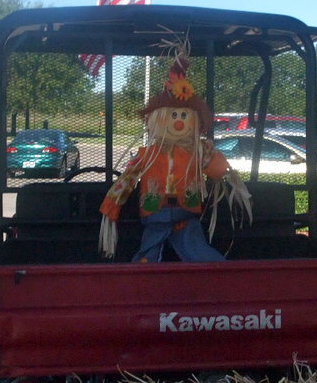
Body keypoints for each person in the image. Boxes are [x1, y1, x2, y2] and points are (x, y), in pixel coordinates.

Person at [99, 44, 250, 261]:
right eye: (173, 116)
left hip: (185, 215)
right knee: (149, 250)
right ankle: (142, 278)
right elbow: (127, 180)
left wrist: (211, 154)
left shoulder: (196, 153)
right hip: (155, 214)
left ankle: (216, 273)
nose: (178, 122)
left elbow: (218, 172)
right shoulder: (147, 154)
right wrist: (111, 206)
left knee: (195, 247)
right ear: (157, 120)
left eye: (183, 116)